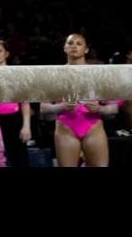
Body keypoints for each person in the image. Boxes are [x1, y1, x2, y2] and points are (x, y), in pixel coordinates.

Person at [42, 34, 119, 167]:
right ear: (64, 48)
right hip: (66, 128)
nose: (74, 46)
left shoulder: (97, 74)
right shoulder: (54, 74)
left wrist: (100, 109)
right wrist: (61, 107)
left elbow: (114, 108)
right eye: (70, 43)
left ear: (86, 49)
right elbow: (44, 108)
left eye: (79, 43)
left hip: (93, 127)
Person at [0, 40, 33, 168]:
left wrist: (26, 126)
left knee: (18, 157)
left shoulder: (16, 74)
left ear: (6, 54)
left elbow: (25, 102)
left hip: (13, 120)